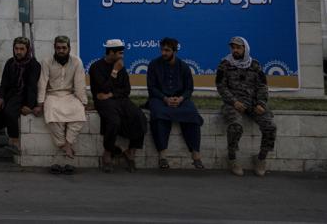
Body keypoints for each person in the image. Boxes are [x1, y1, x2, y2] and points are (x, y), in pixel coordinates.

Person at [216, 36, 277, 177]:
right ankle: (232, 158)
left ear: (245, 48)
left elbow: (262, 86)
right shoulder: (224, 64)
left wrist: (261, 103)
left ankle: (261, 158)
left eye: (238, 47)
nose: (235, 50)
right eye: (233, 47)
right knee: (236, 125)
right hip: (232, 104)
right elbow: (221, 86)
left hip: (254, 104)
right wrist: (234, 102)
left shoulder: (255, 65)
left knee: (270, 126)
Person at [145, 37, 204, 170]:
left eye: (167, 50)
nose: (163, 53)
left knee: (192, 113)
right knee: (158, 115)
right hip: (159, 99)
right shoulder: (154, 65)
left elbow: (189, 88)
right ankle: (163, 156)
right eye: (162, 50)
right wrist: (165, 98)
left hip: (180, 100)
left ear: (174, 51)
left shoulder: (183, 66)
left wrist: (181, 98)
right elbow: (152, 88)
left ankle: (196, 156)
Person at [89, 39, 146, 172]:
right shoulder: (96, 67)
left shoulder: (120, 66)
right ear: (111, 52)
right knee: (114, 121)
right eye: (120, 53)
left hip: (119, 99)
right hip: (103, 102)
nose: (122, 56)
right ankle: (108, 153)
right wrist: (114, 71)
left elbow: (126, 90)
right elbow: (102, 88)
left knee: (139, 116)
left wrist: (111, 94)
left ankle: (130, 152)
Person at [33, 35, 87, 174]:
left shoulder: (76, 61)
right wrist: (40, 103)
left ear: (69, 48)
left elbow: (80, 84)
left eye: (64, 48)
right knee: (51, 115)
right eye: (58, 48)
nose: (61, 51)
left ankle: (67, 143)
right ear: (54, 48)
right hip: (52, 95)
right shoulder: (47, 62)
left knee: (79, 115)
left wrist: (83, 102)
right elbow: (42, 83)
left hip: (69, 95)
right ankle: (63, 145)